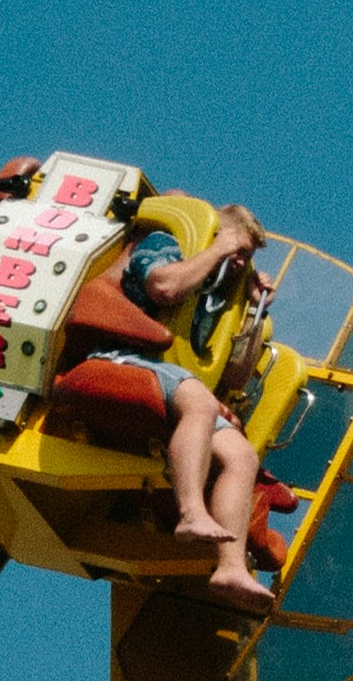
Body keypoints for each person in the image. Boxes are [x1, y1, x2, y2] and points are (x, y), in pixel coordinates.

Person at [118, 203, 275, 614]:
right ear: (218, 233)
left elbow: (236, 375)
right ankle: (191, 512)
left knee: (242, 456)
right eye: (238, 249)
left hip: (178, 382)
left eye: (246, 257)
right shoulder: (169, 244)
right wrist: (217, 249)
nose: (239, 262)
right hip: (124, 356)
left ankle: (230, 568)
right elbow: (163, 289)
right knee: (201, 402)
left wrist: (255, 309)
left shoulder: (226, 290)